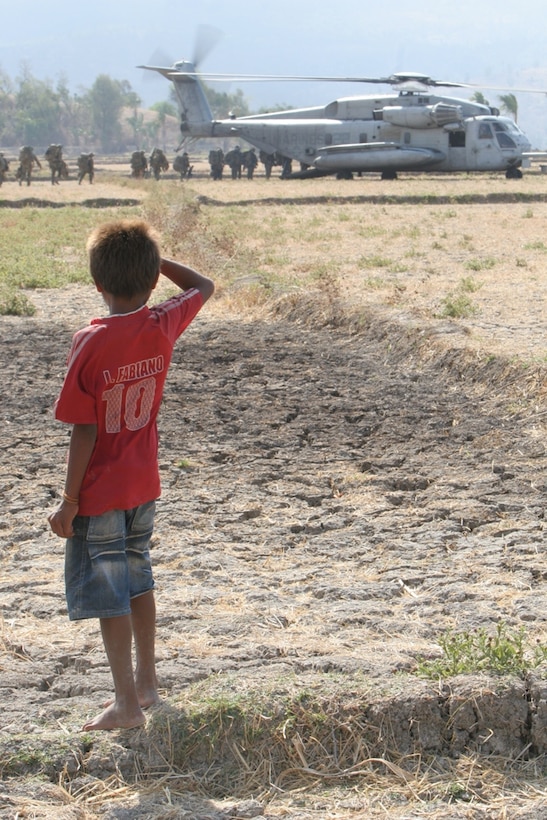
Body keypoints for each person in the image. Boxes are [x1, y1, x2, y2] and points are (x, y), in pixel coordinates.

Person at [47, 219, 215, 732]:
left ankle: (124, 704)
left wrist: (69, 500)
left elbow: (84, 431)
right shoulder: (161, 323)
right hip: (144, 484)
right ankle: (147, 684)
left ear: (97, 283)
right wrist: (154, 263)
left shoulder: (90, 341)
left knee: (110, 592)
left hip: (100, 493)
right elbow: (203, 286)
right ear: (150, 282)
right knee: (139, 578)